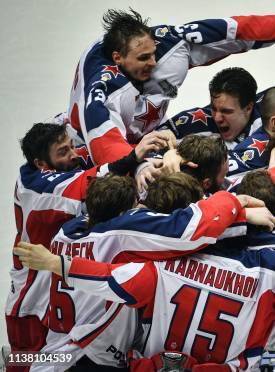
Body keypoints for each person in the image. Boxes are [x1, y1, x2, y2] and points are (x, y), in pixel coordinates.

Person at [29, 172, 275, 370]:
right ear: (125, 214)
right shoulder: (122, 237)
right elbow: (187, 232)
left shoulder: (67, 231)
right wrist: (238, 204)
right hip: (88, 356)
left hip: (52, 352)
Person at [68, 8, 275, 164]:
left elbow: (227, 31)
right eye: (142, 59)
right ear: (118, 58)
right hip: (92, 151)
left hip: (146, 142)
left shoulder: (167, 46)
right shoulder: (103, 92)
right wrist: (136, 167)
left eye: (153, 53)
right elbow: (105, 144)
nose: (152, 62)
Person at [6, 123, 162, 364]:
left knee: (57, 357)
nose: (73, 155)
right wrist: (133, 157)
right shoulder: (36, 185)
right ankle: (12, 361)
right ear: (41, 164)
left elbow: (105, 155)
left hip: (58, 285)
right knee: (28, 362)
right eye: (63, 152)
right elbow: (85, 182)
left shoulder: (66, 165)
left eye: (71, 147)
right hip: (31, 300)